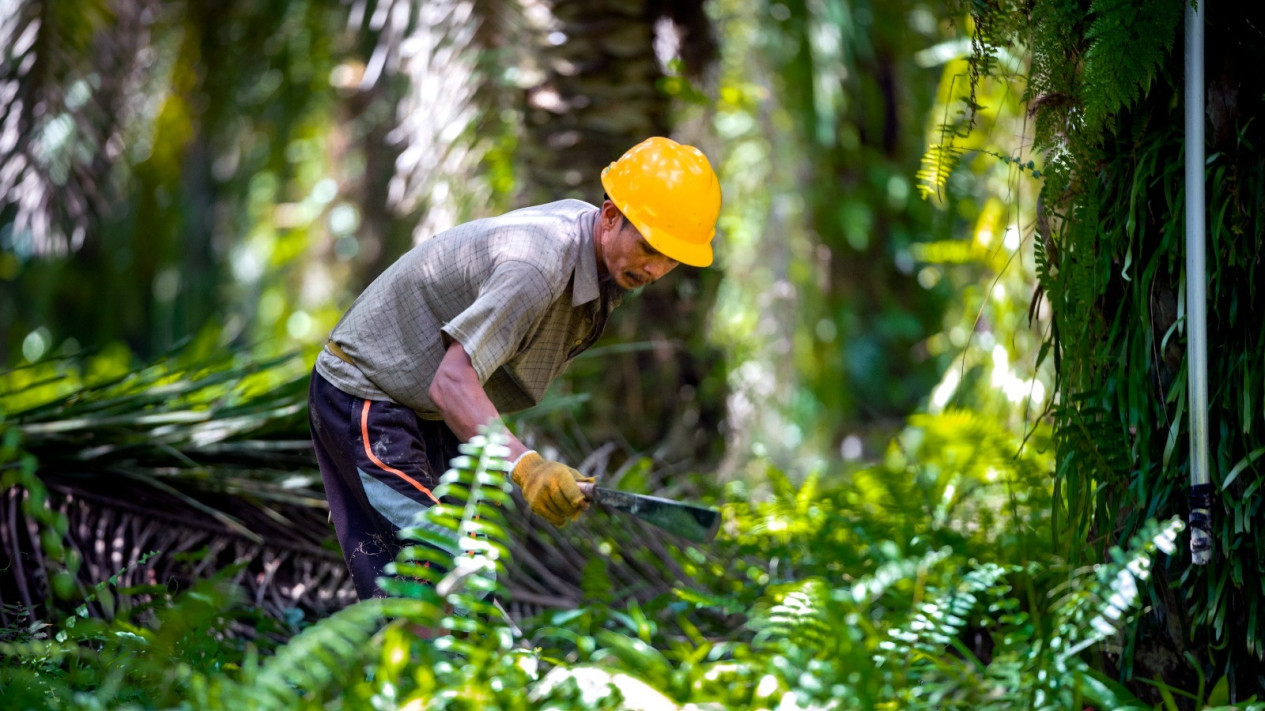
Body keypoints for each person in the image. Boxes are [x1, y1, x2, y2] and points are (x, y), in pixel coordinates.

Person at [307, 136, 722, 599]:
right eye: (649, 247)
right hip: (367, 396)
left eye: (672, 258)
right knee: (429, 572)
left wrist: (533, 465)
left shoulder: (600, 262)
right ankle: (411, 669)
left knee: (468, 577)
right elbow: (452, 382)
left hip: (424, 410)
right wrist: (526, 466)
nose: (655, 268)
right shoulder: (538, 263)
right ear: (609, 217)